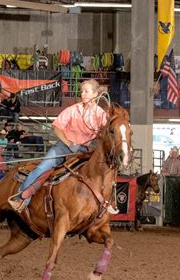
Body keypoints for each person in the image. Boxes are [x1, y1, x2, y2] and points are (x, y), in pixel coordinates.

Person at [8, 79, 107, 212]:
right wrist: (69, 143)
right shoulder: (73, 110)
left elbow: (106, 133)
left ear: (95, 94)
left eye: (86, 91)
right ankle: (20, 199)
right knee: (42, 168)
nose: (83, 94)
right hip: (63, 147)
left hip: (83, 151)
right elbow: (57, 128)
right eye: (82, 91)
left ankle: (103, 204)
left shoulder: (101, 114)